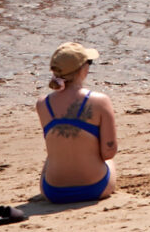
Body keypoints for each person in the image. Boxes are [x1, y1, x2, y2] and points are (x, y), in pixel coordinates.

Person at [36, 42, 116, 204]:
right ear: (83, 70)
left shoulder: (43, 103)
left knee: (55, 150)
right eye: (89, 63)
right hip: (94, 188)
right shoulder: (100, 101)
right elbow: (108, 152)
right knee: (109, 160)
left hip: (53, 191)